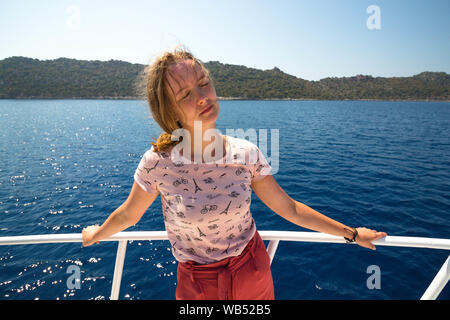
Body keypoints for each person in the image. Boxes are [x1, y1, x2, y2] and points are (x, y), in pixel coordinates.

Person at [82, 45, 387, 300]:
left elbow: (289, 208)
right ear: (169, 111)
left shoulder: (245, 154)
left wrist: (352, 234)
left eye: (203, 82)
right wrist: (97, 233)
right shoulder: (157, 163)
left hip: (252, 270)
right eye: (186, 94)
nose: (202, 96)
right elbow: (128, 215)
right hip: (197, 285)